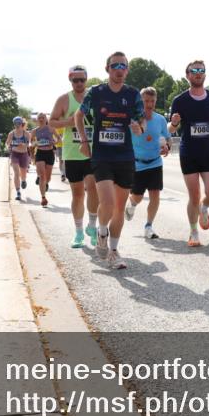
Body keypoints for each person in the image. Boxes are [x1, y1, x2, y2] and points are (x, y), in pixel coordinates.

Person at [75, 51, 145, 269]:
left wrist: (138, 127)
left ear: (127, 70)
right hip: (102, 155)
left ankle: (113, 251)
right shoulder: (95, 92)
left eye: (123, 66)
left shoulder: (133, 94)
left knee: (119, 207)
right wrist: (85, 141)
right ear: (107, 69)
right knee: (108, 202)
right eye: (115, 66)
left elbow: (140, 119)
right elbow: (79, 115)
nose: (119, 70)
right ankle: (102, 231)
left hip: (124, 156)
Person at [168, 60, 209, 247]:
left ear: (205, 74)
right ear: (187, 75)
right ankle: (194, 232)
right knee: (193, 196)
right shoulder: (179, 100)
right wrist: (175, 123)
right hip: (189, 153)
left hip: (208, 152)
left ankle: (204, 208)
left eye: (201, 70)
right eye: (194, 71)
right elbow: (170, 129)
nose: (198, 73)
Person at [49, 65, 100, 248]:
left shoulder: (94, 97)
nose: (79, 83)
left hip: (93, 151)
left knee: (93, 188)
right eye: (75, 80)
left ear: (86, 79)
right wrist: (69, 122)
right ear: (70, 80)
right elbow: (52, 122)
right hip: (72, 152)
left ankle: (92, 227)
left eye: (82, 80)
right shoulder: (64, 99)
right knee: (78, 194)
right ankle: (78, 232)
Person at [125, 87, 170, 239]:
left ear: (155, 101)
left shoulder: (160, 120)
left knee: (155, 195)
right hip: (137, 164)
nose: (149, 104)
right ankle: (131, 204)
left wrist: (166, 147)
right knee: (137, 197)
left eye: (152, 101)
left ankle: (148, 226)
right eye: (146, 101)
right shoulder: (133, 119)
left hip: (155, 163)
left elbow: (167, 138)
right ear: (140, 102)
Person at [31, 114, 56, 207]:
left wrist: (54, 142)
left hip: (49, 153)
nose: (41, 119)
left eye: (43, 118)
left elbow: (59, 139)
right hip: (40, 153)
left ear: (46, 119)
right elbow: (30, 142)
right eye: (39, 118)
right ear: (37, 120)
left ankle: (45, 183)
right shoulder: (34, 131)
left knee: (48, 178)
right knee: (42, 175)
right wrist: (34, 143)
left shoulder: (51, 129)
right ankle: (43, 197)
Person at [6, 116, 31, 201]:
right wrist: (8, 146)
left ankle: (23, 180)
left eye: (19, 123)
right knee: (16, 173)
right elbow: (7, 143)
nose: (17, 125)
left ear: (22, 124)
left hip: (24, 154)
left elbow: (29, 144)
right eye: (15, 123)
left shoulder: (26, 133)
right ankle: (18, 192)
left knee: (23, 173)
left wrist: (24, 145)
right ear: (14, 124)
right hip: (15, 154)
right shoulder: (11, 134)